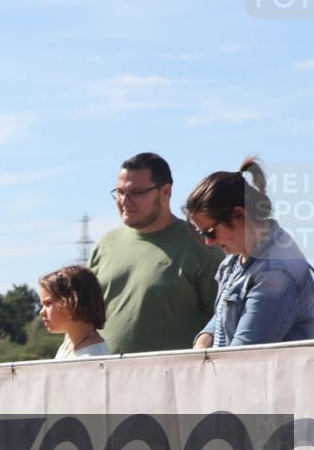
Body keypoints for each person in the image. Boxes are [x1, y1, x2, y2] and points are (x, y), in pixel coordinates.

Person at [89, 152, 223, 354]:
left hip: (171, 379)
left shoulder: (202, 245)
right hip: (103, 378)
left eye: (136, 192)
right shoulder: (105, 245)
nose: (125, 200)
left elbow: (224, 319)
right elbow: (80, 319)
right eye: (120, 192)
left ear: (165, 192)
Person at [186, 157, 314, 347]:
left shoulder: (275, 274)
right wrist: (205, 338)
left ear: (239, 216)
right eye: (201, 233)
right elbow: (223, 317)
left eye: (211, 231)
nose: (208, 241)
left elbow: (243, 356)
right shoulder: (235, 260)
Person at [39, 265, 110, 359]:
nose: (41, 312)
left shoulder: (91, 358)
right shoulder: (71, 342)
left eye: (48, 303)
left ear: (72, 302)